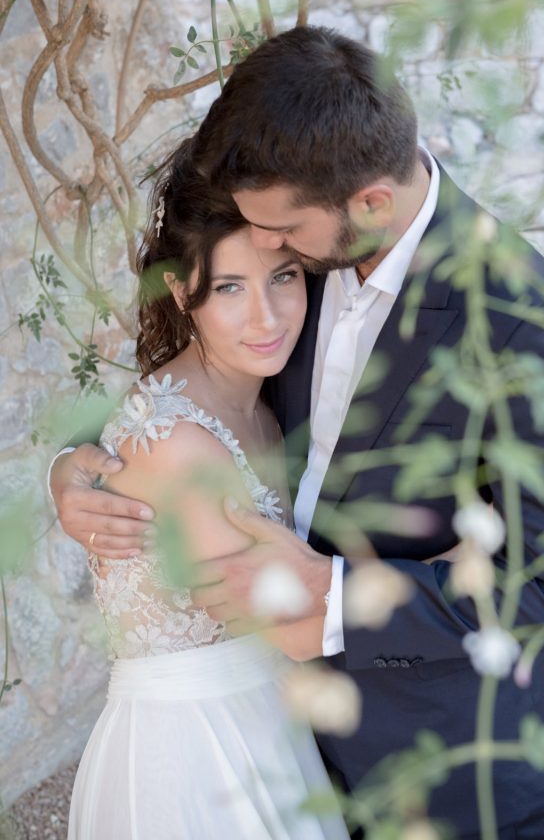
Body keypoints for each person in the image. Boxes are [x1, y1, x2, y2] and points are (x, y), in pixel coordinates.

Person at [53, 26, 544, 840]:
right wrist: (78, 466)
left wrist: (339, 597)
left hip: (444, 766)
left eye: (280, 235)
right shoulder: (314, 240)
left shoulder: (524, 323)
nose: (267, 251)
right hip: (288, 750)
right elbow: (209, 381)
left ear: (370, 203)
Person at [66, 142, 351, 840]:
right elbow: (294, 625)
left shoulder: (265, 400)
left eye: (283, 277)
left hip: (266, 714)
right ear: (180, 290)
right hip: (197, 752)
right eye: (228, 288)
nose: (266, 317)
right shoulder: (178, 445)